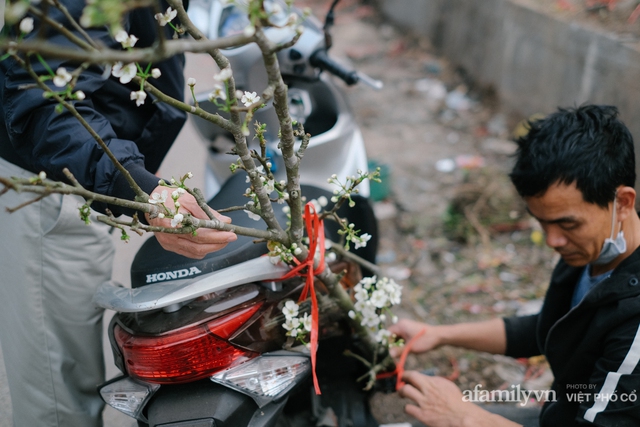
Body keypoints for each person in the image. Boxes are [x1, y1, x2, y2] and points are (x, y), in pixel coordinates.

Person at [0, 1, 237, 426]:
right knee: (59, 399)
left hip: (82, 171)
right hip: (50, 183)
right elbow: (47, 103)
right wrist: (140, 189)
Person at [389, 104, 640, 426]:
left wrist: (465, 417)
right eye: (541, 222)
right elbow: (549, 327)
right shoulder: (593, 250)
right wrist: (438, 334)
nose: (553, 241)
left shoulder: (633, 323)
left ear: (622, 202)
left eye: (567, 224)